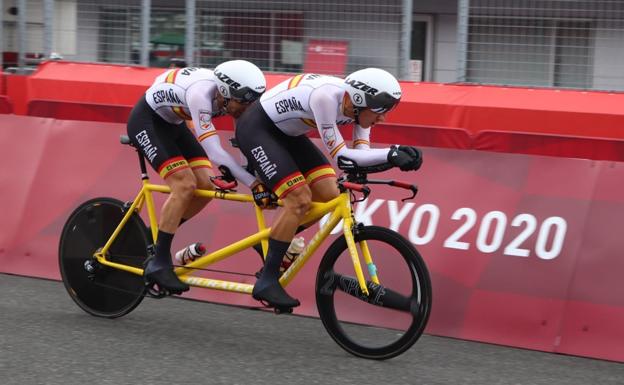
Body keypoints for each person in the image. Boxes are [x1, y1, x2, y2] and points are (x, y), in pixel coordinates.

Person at [235, 68, 423, 308]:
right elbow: (343, 157)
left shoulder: (357, 110)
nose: (383, 118)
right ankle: (267, 281)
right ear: (358, 100)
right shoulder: (325, 97)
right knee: (299, 198)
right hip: (257, 130)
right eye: (379, 111)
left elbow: (361, 155)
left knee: (329, 195)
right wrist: (391, 154)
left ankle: (274, 240)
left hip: (289, 135)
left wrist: (396, 156)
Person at [127, 60, 269, 294]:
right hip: (147, 121)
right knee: (184, 185)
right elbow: (215, 151)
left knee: (205, 186)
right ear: (225, 92)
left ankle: (158, 234)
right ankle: (159, 262)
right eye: (243, 102)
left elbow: (244, 134)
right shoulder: (200, 95)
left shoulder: (230, 97)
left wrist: (252, 167)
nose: (247, 108)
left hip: (173, 122)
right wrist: (253, 183)